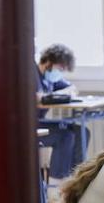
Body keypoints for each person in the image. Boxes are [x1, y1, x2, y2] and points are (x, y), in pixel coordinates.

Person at [36, 44, 89, 180]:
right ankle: (56, 184)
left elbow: (72, 89)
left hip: (42, 123)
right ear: (48, 61)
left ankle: (76, 179)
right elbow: (36, 98)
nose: (60, 72)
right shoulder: (31, 74)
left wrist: (59, 94)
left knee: (82, 132)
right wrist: (49, 97)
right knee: (65, 136)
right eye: (60, 68)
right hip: (30, 127)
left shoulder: (50, 79)